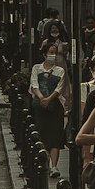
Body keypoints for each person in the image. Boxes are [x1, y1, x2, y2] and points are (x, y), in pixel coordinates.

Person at [29, 43, 67, 175]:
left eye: (55, 52)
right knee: (43, 134)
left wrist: (49, 99)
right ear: (44, 54)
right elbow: (34, 84)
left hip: (55, 107)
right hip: (40, 107)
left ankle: (54, 166)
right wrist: (41, 98)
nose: (53, 55)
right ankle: (44, 162)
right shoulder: (36, 68)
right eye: (51, 52)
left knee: (55, 136)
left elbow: (59, 88)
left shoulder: (60, 71)